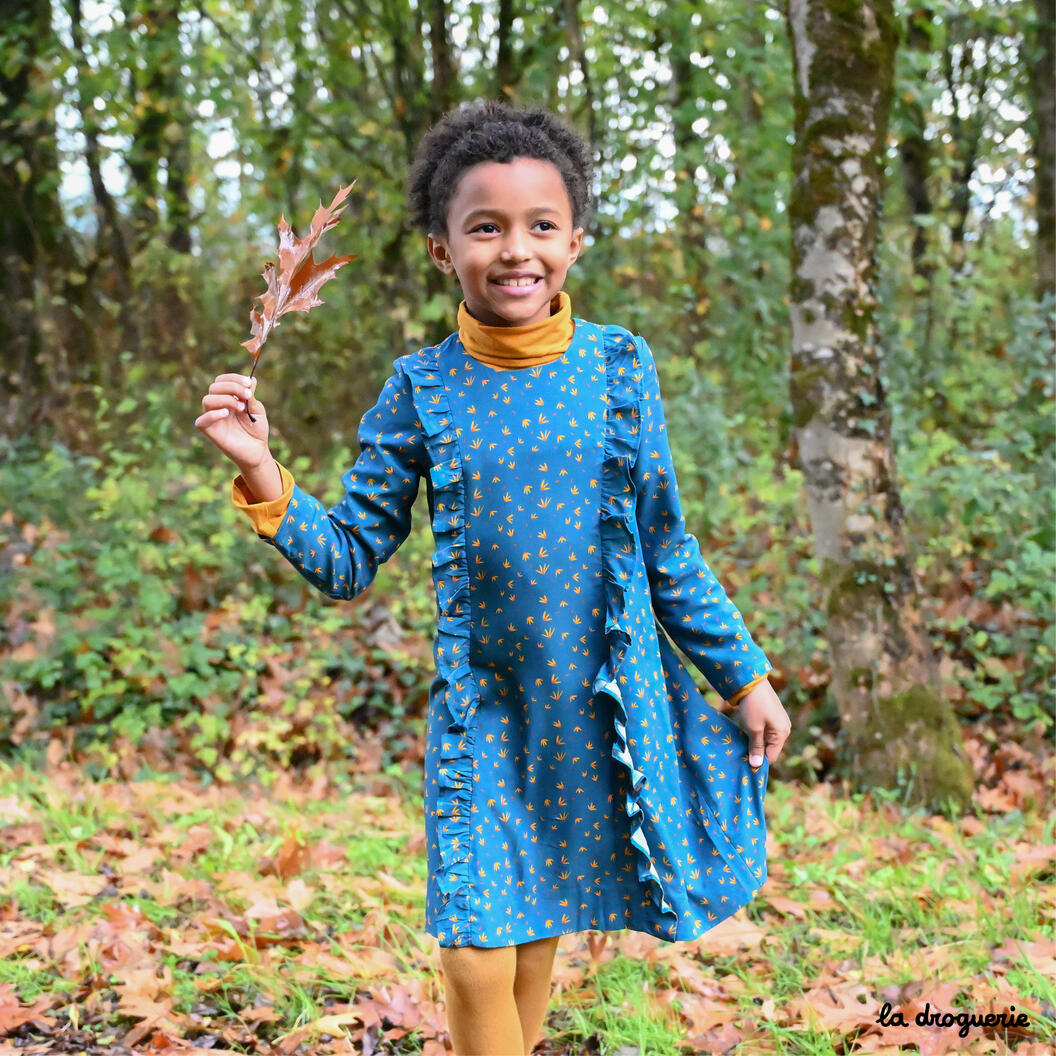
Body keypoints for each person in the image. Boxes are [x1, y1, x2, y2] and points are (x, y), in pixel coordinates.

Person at [196, 100, 792, 1056]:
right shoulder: (420, 390)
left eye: (541, 226)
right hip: (488, 718)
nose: (517, 250)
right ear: (442, 249)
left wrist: (744, 676)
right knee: (475, 948)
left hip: (601, 709)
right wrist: (263, 473)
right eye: (486, 227)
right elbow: (349, 558)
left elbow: (667, 551)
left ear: (577, 240)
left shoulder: (618, 371)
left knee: (534, 934)